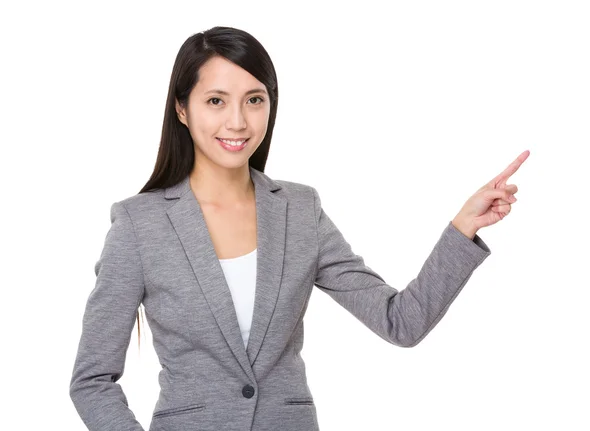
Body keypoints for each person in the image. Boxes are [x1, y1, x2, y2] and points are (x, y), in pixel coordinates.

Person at [68, 26, 529, 431]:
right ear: (183, 110)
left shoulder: (299, 209)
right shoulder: (139, 223)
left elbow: (400, 322)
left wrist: (462, 227)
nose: (238, 121)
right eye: (215, 101)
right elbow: (91, 380)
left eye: (255, 100)